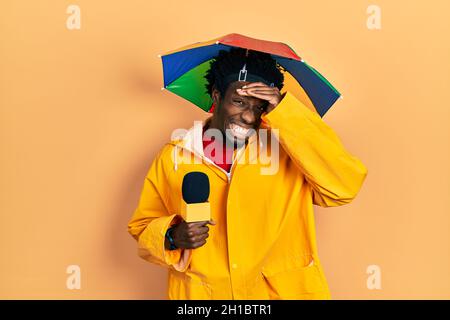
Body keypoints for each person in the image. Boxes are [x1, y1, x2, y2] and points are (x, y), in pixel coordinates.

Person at [127, 48, 368, 299]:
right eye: (239, 101)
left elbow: (344, 187)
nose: (248, 115)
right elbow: (142, 227)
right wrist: (172, 236)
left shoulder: (290, 150)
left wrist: (285, 112)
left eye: (259, 106)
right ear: (216, 96)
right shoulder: (175, 156)